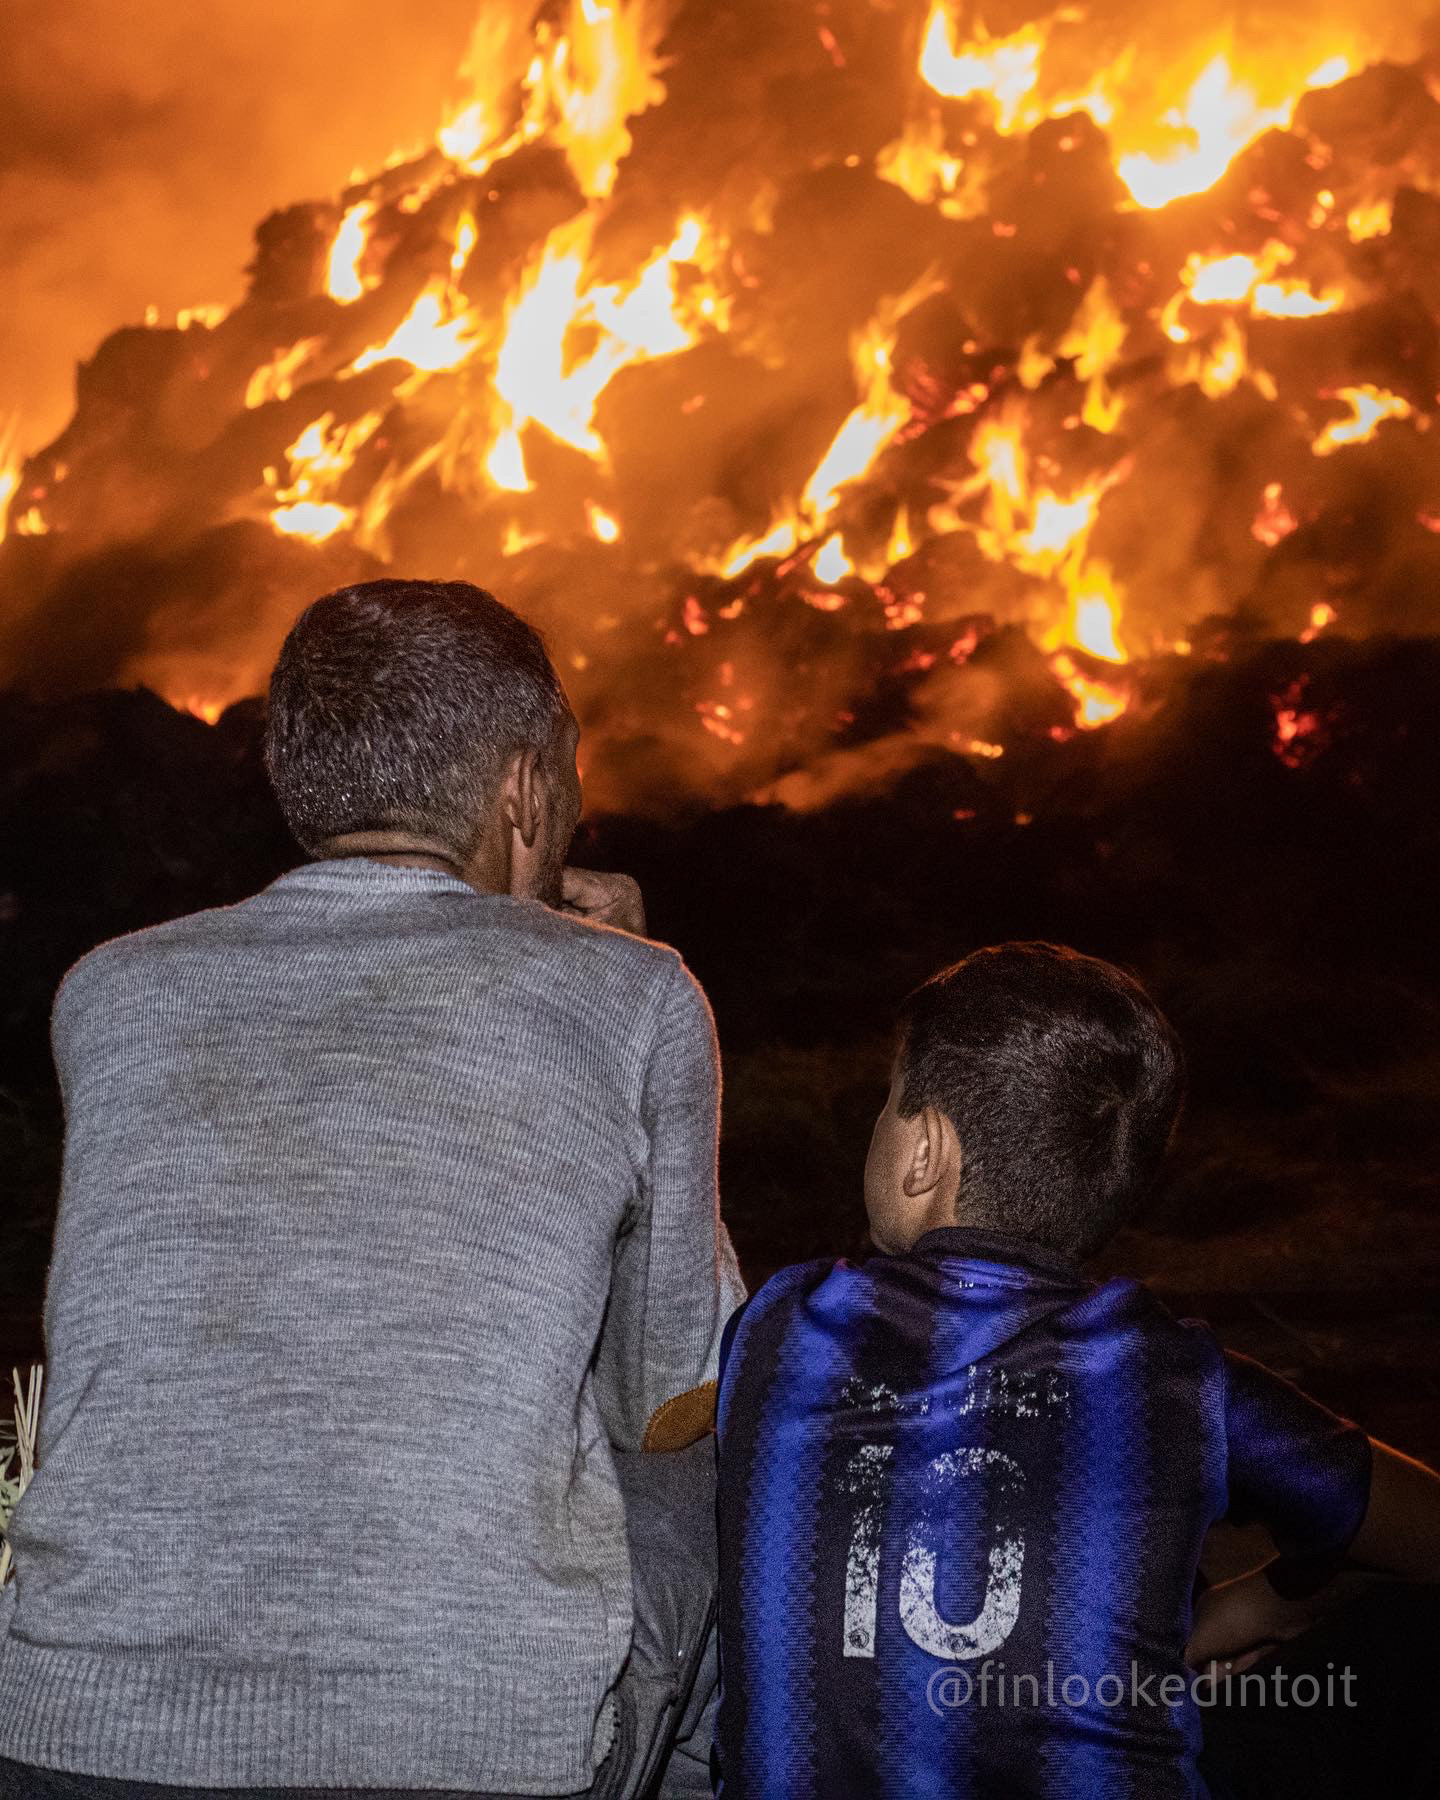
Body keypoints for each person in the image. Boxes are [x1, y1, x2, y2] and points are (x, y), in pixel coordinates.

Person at [0, 579, 743, 1799]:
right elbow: (671, 1391)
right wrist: (611, 969)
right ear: (522, 790)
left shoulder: (111, 992)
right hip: (460, 1737)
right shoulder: (637, 993)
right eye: (568, 786)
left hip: (74, 1722)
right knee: (710, 1456)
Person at [713, 942, 1440, 1798]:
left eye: (888, 1100)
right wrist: (1279, 1602)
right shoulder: (1172, 1378)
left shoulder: (780, 1324)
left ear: (924, 1153)